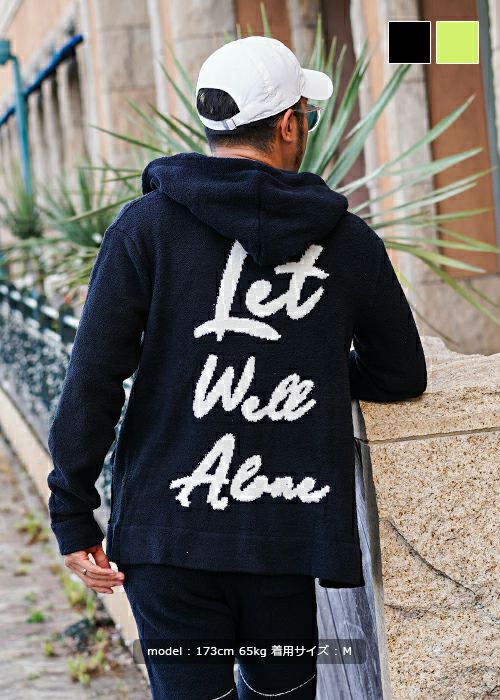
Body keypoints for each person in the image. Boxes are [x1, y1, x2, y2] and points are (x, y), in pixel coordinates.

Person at [46, 36, 427, 699]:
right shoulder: (349, 242)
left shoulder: (144, 228)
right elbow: (401, 375)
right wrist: (311, 369)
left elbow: (94, 379)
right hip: (285, 536)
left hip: (166, 533)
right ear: (288, 126)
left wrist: (73, 513)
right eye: (306, 114)